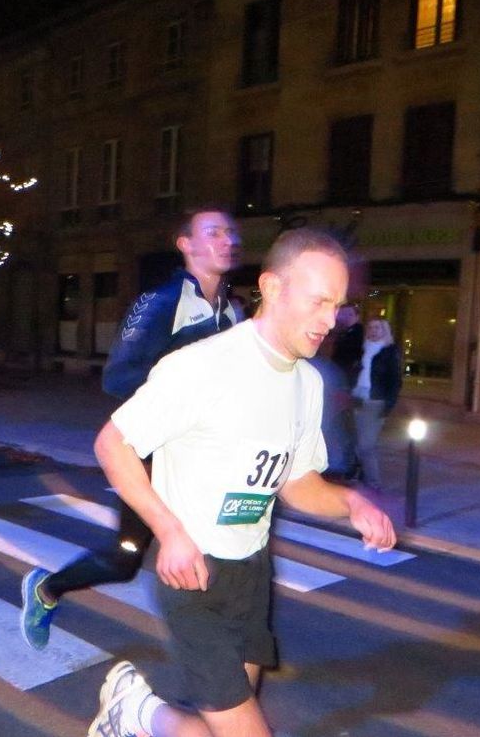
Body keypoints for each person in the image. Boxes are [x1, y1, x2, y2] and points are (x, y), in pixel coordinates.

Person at [87, 228, 395, 737]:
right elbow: (112, 444)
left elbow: (297, 483)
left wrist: (351, 502)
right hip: (193, 575)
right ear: (273, 287)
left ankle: (138, 712)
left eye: (338, 305)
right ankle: (138, 712)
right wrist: (169, 531)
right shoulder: (204, 367)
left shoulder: (307, 382)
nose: (329, 320)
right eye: (319, 301)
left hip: (250, 572)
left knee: (225, 723)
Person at [20, 208, 242, 650]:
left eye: (230, 232)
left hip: (202, 457)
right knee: (124, 559)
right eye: (212, 232)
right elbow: (117, 378)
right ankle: (46, 589)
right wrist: (179, 392)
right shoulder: (161, 302)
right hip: (152, 453)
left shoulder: (233, 312)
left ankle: (213, 641)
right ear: (186, 244)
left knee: (219, 543)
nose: (226, 239)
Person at [346, 318, 402, 490]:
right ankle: (359, 473)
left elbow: (395, 382)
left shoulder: (390, 352)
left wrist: (388, 406)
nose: (373, 330)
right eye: (370, 327)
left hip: (375, 400)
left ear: (385, 330)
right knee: (354, 440)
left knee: (366, 445)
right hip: (357, 397)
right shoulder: (362, 349)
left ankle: (373, 483)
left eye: (378, 327)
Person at [328, 304, 364, 478]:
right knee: (342, 425)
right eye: (343, 313)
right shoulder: (345, 332)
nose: (344, 316)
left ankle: (353, 464)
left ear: (356, 315)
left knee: (345, 425)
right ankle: (350, 463)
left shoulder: (357, 334)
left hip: (347, 385)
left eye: (349, 313)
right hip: (342, 384)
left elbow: (353, 360)